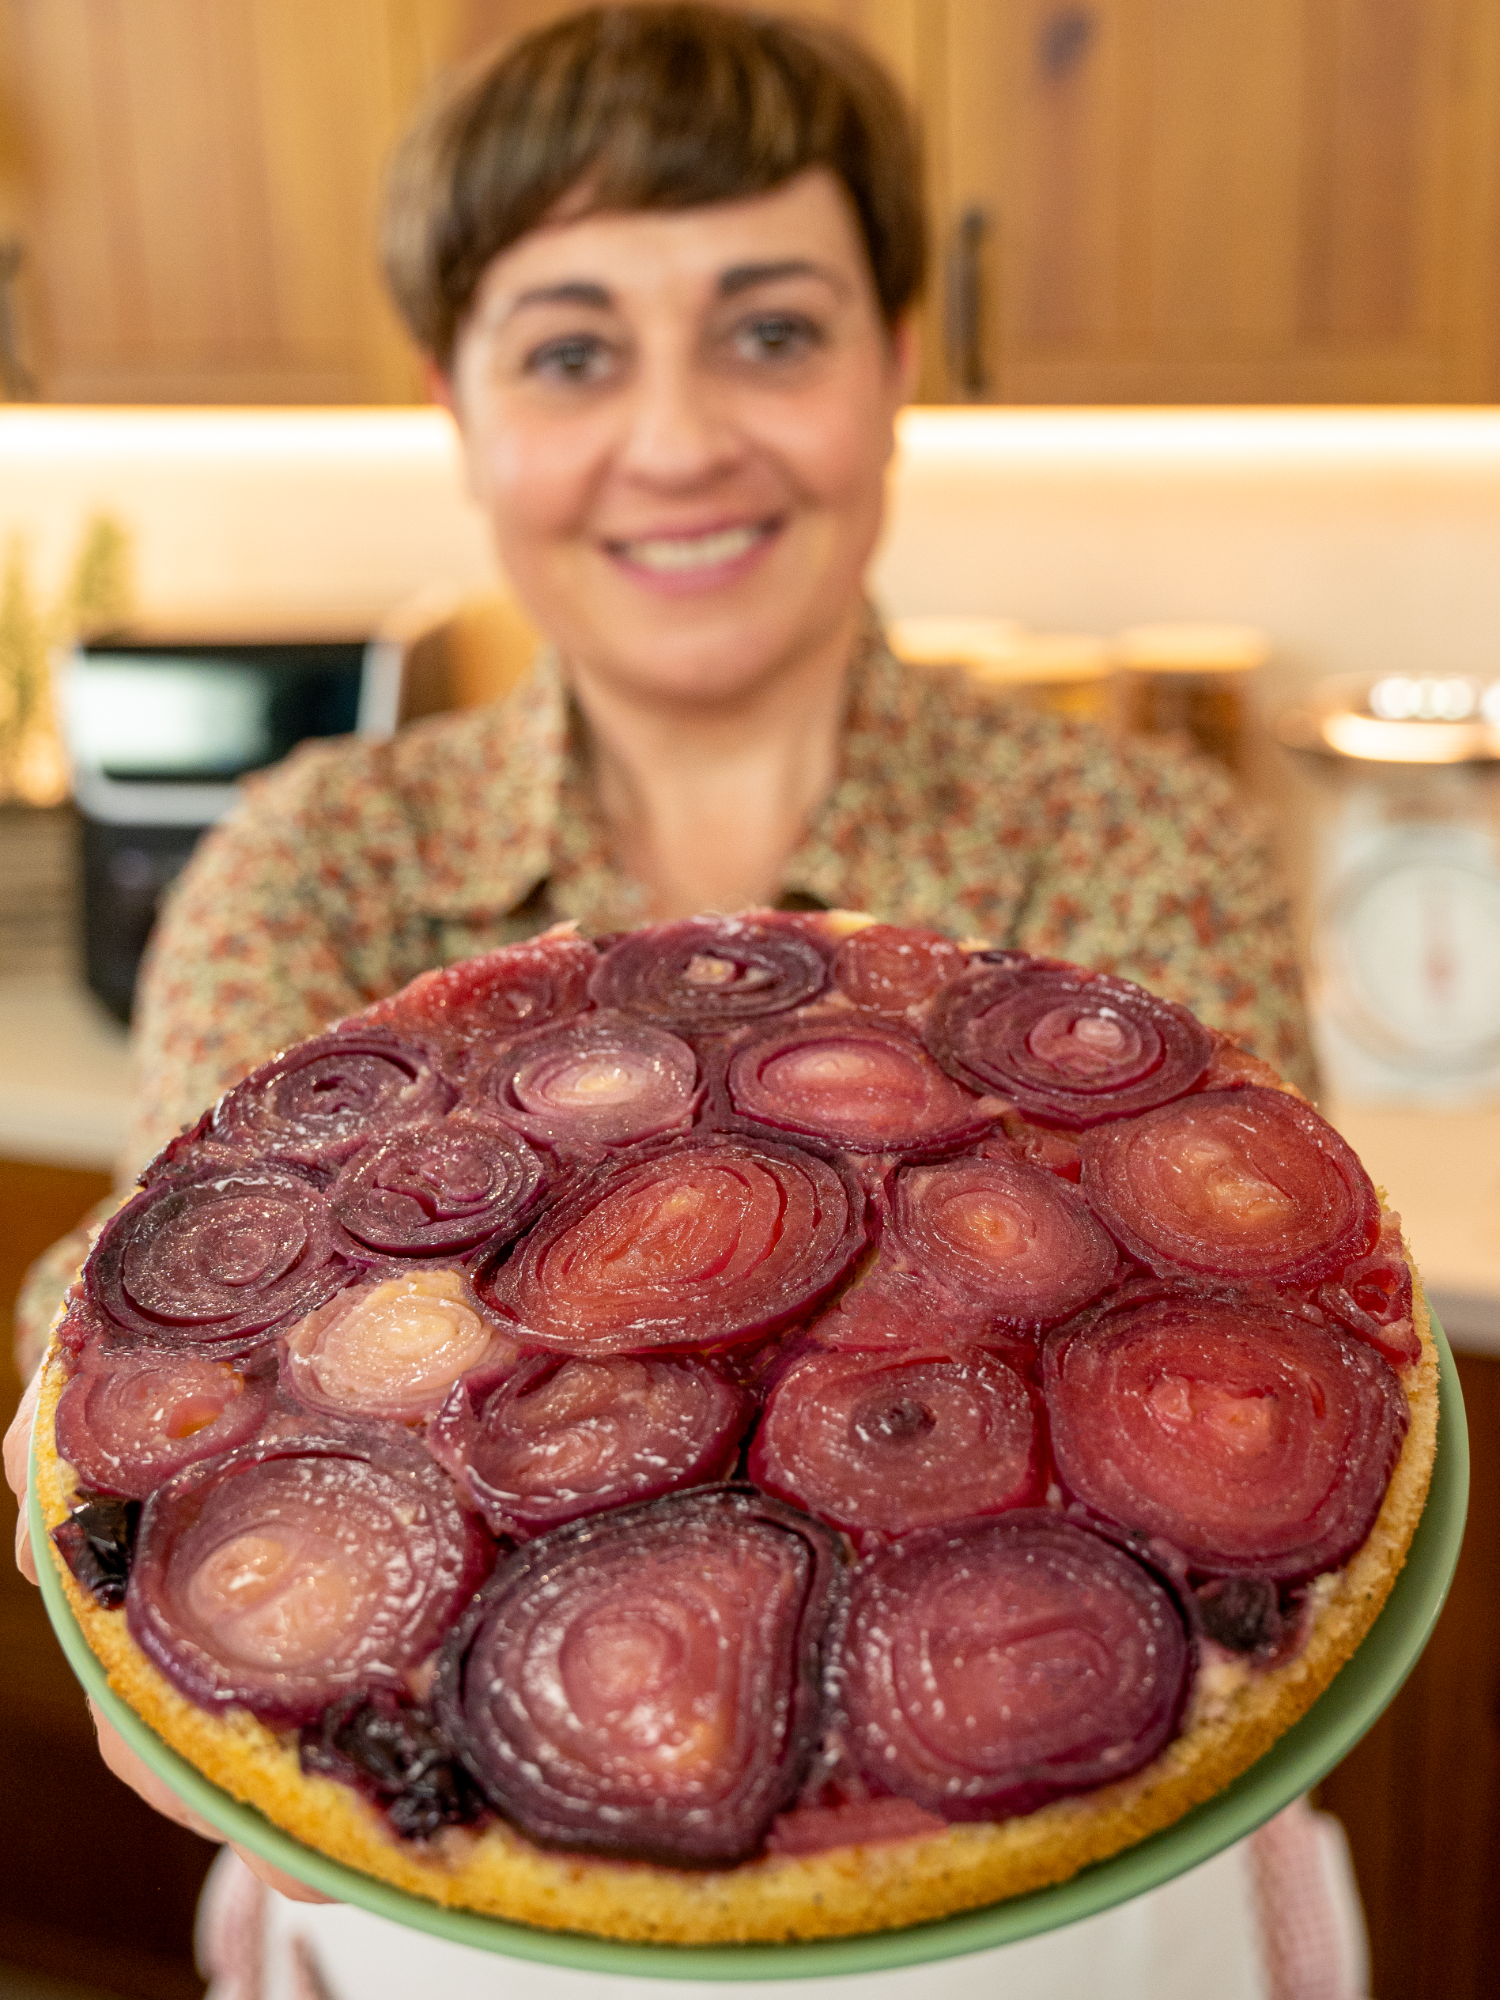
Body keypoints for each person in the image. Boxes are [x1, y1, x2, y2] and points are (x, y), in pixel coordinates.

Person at [6, 8, 1366, 1997]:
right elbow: (158, 1362)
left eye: (772, 329)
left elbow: (1277, 1412)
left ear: (902, 358)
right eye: (570, 350)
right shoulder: (317, 861)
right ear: (452, 403)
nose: (676, 438)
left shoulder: (1135, 840)